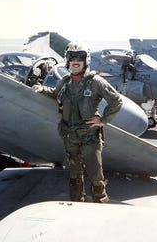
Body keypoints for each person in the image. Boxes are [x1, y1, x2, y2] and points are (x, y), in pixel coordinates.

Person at [32, 41, 122, 203]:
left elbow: (116, 100)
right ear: (67, 60)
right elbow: (56, 94)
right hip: (70, 137)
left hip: (89, 137)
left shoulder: (96, 82)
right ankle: (76, 204)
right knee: (74, 175)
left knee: (96, 176)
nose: (75, 60)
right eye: (71, 57)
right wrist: (42, 89)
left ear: (85, 60)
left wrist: (102, 120)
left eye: (79, 57)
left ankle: (100, 205)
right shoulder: (65, 82)